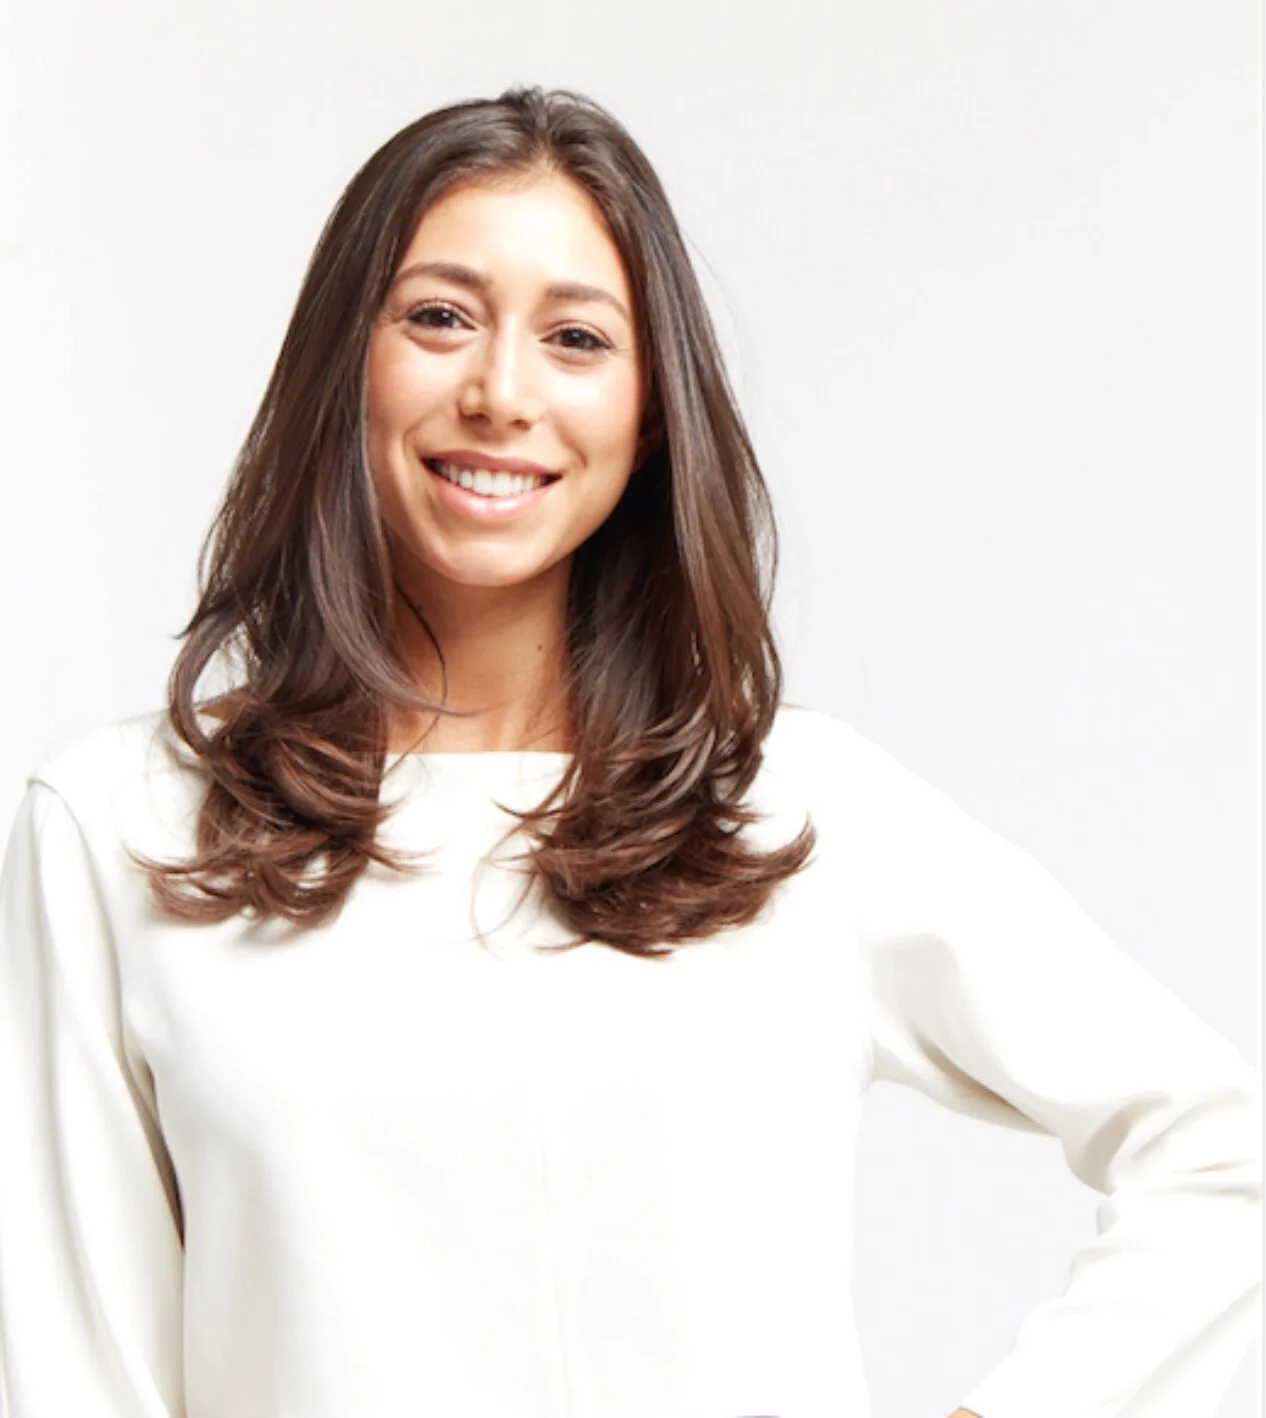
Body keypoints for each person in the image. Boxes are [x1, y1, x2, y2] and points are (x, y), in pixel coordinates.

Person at [0, 85, 1258, 1418]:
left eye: (577, 339)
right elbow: (75, 1375)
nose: (500, 393)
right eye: (439, 317)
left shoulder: (793, 816)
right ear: (342, 361)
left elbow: (1219, 1148)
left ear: (650, 411)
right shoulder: (122, 829)